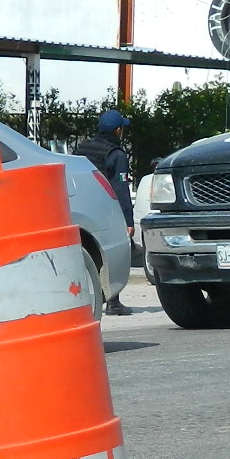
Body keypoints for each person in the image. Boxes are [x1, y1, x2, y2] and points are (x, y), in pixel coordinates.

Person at [77, 108, 135, 315]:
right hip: (106, 209)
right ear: (118, 130)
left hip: (81, 207)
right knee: (110, 251)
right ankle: (113, 301)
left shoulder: (82, 149)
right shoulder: (116, 155)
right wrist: (128, 220)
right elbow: (120, 188)